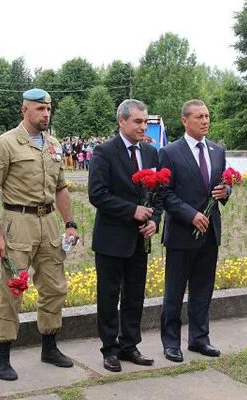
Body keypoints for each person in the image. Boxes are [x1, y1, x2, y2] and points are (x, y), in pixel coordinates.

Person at [0, 88, 80, 381]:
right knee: (13, 289)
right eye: (39, 109)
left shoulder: (54, 145)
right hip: (17, 221)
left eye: (48, 109)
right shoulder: (5, 144)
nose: (45, 114)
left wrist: (70, 223)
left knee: (54, 286)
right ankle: (1, 358)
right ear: (24, 110)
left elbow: (61, 187)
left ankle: (49, 347)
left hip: (48, 222)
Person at [88, 99, 162, 372]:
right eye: (138, 122)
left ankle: (130, 344)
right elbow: (97, 194)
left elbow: (157, 195)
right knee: (108, 296)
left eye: (146, 122)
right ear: (122, 121)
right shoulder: (104, 152)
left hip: (140, 239)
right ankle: (109, 349)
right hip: (111, 238)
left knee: (134, 295)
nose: (143, 127)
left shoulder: (151, 153)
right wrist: (132, 210)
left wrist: (154, 219)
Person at [158, 99, 231, 363]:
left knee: (203, 291)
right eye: (199, 116)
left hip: (210, 234)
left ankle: (200, 339)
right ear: (185, 120)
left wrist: (226, 192)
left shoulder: (217, 151)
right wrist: (191, 215)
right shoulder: (169, 152)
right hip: (181, 233)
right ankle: (171, 343)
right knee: (175, 292)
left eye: (208, 116)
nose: (205, 121)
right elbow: (164, 194)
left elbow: (223, 184)